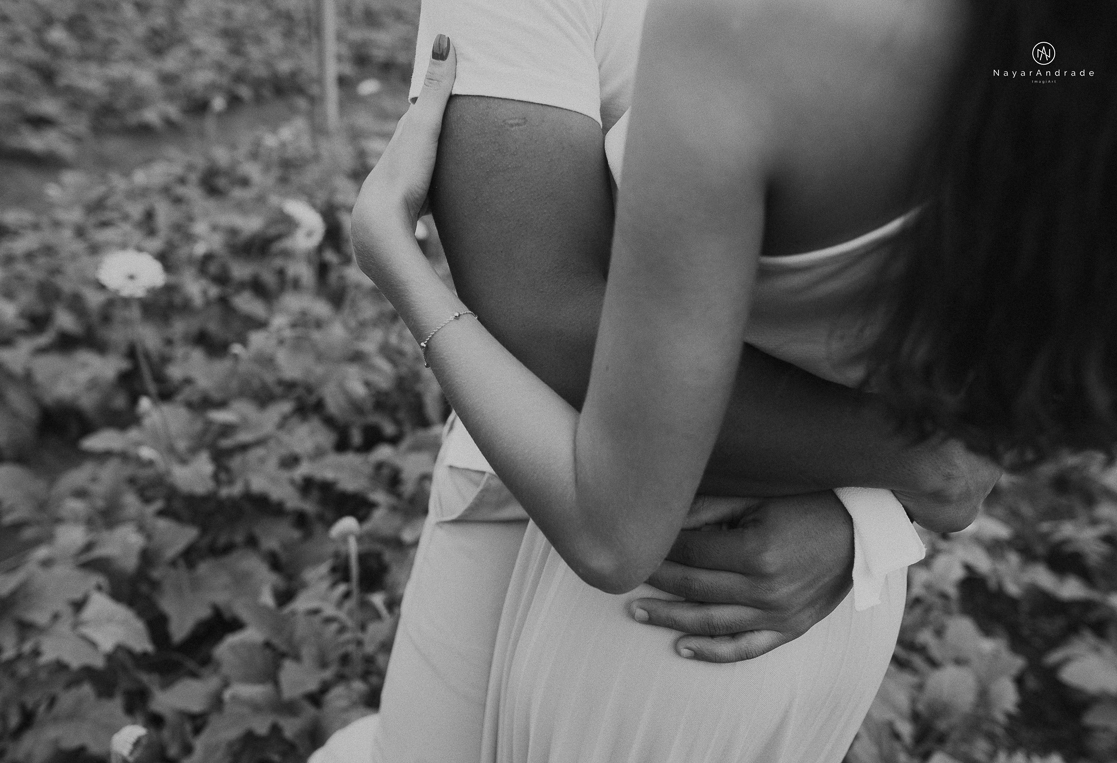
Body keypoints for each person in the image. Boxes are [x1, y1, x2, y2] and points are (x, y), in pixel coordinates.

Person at [343, 0, 1116, 758]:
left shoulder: (729, 34)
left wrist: (402, 270)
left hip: (679, 593)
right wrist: (913, 478)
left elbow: (612, 519)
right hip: (664, 538)